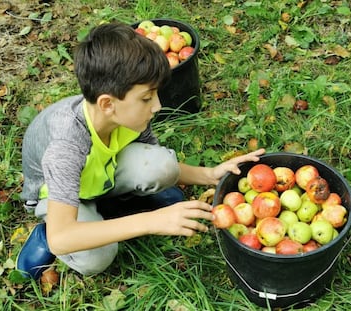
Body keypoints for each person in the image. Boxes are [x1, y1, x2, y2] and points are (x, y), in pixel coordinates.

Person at [16, 22, 265, 280]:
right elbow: (63, 238)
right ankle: (46, 230)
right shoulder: (66, 145)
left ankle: (111, 208)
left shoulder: (128, 117)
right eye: (147, 98)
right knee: (96, 257)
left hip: (99, 174)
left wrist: (209, 174)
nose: (157, 105)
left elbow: (155, 159)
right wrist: (152, 222)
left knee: (163, 166)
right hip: (63, 197)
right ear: (107, 104)